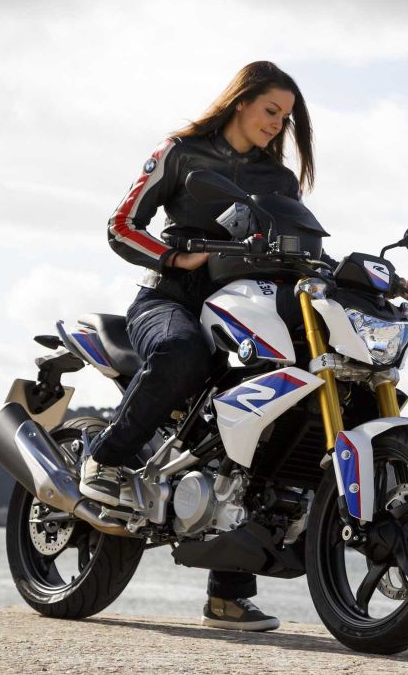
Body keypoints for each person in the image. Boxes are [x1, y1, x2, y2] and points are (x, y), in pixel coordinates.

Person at [80, 60, 315, 632]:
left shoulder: (278, 181)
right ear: (242, 101)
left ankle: (228, 594)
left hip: (242, 310)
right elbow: (121, 224)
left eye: (285, 118)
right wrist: (171, 257)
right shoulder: (181, 152)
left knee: (271, 404)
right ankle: (104, 460)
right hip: (170, 301)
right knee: (180, 352)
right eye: (271, 110)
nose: (277, 124)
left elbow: (304, 246)